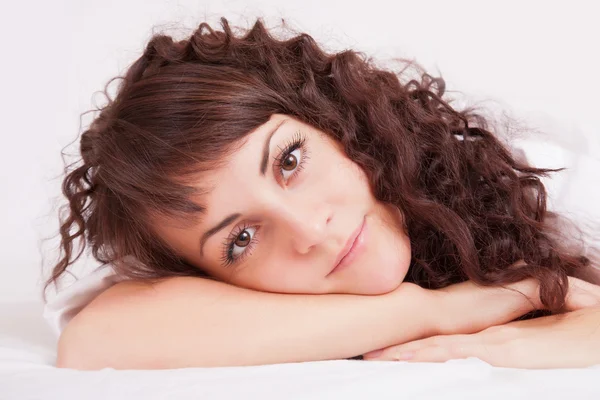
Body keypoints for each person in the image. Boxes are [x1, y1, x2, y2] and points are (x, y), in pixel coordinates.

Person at [46, 17, 600, 370]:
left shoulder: (550, 175)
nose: (311, 231)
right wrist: (437, 310)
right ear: (206, 280)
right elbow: (94, 340)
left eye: (290, 161)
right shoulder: (194, 292)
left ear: (335, 126)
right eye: (240, 239)